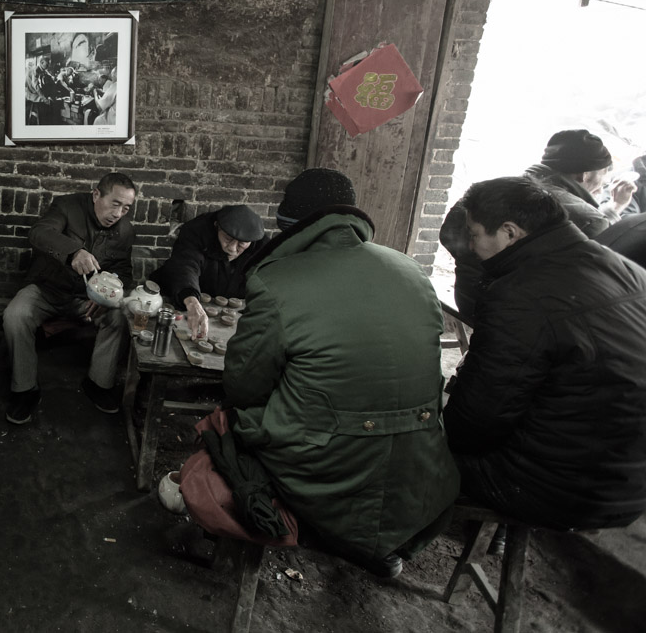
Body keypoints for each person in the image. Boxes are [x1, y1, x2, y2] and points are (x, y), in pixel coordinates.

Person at [223, 168, 459, 578]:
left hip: (326, 470)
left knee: (225, 425)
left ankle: (286, 534)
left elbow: (244, 386)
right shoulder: (410, 270)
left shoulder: (277, 280)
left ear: (288, 226)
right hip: (420, 472)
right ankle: (377, 546)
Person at [443, 177, 646, 531]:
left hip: (557, 488)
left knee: (405, 444)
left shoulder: (520, 296)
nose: (471, 247)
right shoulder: (626, 269)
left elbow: (475, 423)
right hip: (631, 487)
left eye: (474, 235)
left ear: (509, 232)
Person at [440, 129, 637, 319]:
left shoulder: (493, 190)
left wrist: (473, 267)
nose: (605, 183)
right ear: (584, 175)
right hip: (524, 319)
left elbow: (448, 234)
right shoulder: (589, 219)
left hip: (468, 300)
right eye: (603, 173)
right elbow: (600, 282)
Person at [2, 172, 137, 424]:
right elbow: (39, 233)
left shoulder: (126, 230)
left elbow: (124, 272)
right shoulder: (66, 206)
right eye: (115, 204)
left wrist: (106, 296)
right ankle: (24, 389)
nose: (118, 213)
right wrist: (74, 252)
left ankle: (98, 383)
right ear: (96, 195)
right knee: (15, 314)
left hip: (86, 300)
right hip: (47, 290)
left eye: (126, 208)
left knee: (119, 317)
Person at [149, 204, 268, 342]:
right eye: (228, 238)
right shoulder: (197, 230)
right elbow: (186, 265)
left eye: (241, 243)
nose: (232, 248)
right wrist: (192, 302)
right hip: (183, 300)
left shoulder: (262, 246)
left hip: (227, 312)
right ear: (217, 226)